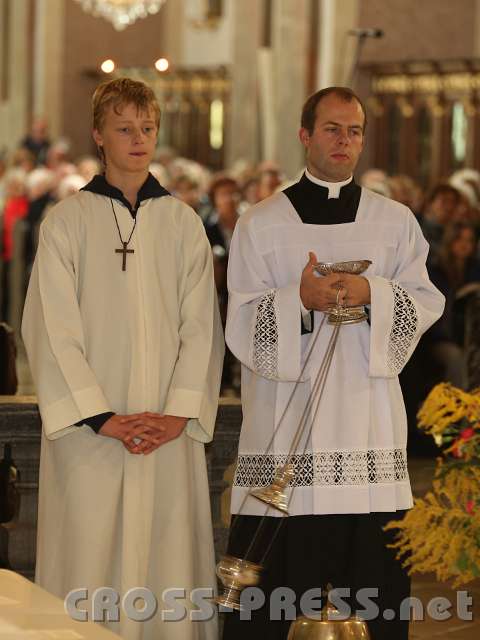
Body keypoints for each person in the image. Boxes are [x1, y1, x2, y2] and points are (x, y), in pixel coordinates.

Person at [222, 87, 445, 640]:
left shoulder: (395, 223)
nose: (344, 140)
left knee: (372, 600)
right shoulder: (261, 224)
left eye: (355, 130)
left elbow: (423, 300)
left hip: (366, 426)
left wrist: (371, 291)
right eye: (332, 129)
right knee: (271, 608)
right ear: (305, 135)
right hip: (285, 433)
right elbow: (241, 324)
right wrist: (299, 300)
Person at [22, 77, 224, 640]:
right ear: (99, 135)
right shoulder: (67, 221)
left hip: (166, 433)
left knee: (166, 565)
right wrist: (101, 416)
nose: (138, 139)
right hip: (92, 438)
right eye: (124, 129)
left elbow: (201, 327)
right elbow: (52, 329)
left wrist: (176, 415)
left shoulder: (183, 223)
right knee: (88, 560)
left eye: (147, 128)